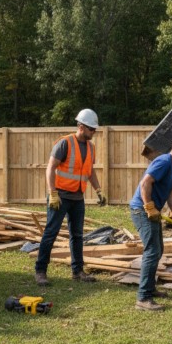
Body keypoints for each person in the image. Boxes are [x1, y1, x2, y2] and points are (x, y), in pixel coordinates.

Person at [35, 108, 106, 286]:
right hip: (60, 197)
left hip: (77, 198)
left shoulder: (91, 147)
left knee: (77, 235)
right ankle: (41, 271)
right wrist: (52, 193)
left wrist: (98, 190)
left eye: (95, 129)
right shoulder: (65, 143)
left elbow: (90, 171)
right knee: (50, 233)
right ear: (81, 127)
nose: (94, 132)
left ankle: (78, 271)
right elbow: (50, 168)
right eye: (91, 129)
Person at [129, 131, 172, 311]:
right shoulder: (163, 162)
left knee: (158, 250)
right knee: (152, 251)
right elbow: (145, 183)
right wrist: (149, 206)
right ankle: (143, 298)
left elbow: (171, 193)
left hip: (152, 210)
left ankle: (149, 290)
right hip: (141, 210)